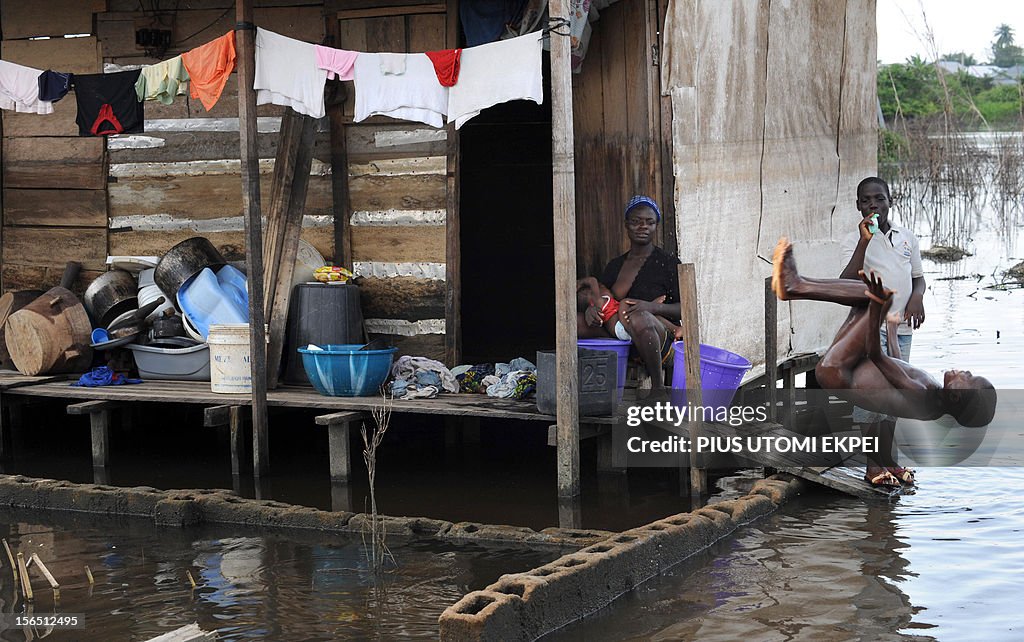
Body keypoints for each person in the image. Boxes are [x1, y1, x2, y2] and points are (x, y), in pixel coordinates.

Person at [773, 238, 996, 487]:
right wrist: (890, 327)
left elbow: (877, 356)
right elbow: (896, 365)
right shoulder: (931, 396)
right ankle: (796, 285)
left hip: (838, 370)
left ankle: (795, 285)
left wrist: (877, 312)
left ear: (956, 396)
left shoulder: (922, 395)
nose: (965, 371)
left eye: (967, 377)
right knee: (874, 296)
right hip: (846, 366)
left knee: (877, 297)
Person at [839, 177, 925, 483]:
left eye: (879, 199)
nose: (873, 205)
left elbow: (918, 278)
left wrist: (917, 298)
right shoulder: (854, 241)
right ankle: (873, 466)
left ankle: (891, 461)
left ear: (891, 201)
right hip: (869, 328)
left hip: (901, 328)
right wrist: (865, 242)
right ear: (858, 206)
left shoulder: (907, 238)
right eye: (866, 201)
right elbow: (846, 281)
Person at [586, 195, 682, 392]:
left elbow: (685, 310)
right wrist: (592, 311)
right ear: (626, 225)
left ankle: (658, 389)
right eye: (636, 222)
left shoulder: (668, 263)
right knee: (576, 321)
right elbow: (603, 299)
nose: (643, 227)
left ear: (656, 226)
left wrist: (652, 307)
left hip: (658, 339)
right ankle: (584, 385)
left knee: (640, 318)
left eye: (649, 222)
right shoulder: (614, 266)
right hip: (621, 333)